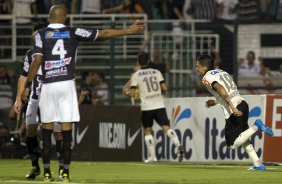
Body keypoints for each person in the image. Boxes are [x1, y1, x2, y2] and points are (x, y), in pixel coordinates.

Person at [22, 5, 145, 182]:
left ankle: (47, 173)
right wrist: (128, 30)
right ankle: (65, 172)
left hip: (48, 85)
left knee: (47, 130)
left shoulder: (41, 34)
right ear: (65, 17)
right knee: (66, 131)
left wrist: (28, 84)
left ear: (50, 17)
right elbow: (102, 34)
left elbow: (38, 60)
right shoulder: (73, 31)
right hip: (67, 85)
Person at [195, 54, 274, 170]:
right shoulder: (221, 71)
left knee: (232, 144)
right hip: (242, 103)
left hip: (235, 109)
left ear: (205, 67)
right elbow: (227, 91)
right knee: (244, 138)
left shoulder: (206, 78)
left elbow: (221, 90)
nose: (196, 68)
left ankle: (257, 126)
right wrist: (215, 102)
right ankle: (258, 164)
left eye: (198, 66)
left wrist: (232, 107)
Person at [13, 21, 64, 180]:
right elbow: (23, 77)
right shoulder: (30, 54)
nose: (37, 35)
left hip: (52, 97)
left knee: (57, 133)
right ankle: (35, 166)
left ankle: (63, 167)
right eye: (36, 33)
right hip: (34, 98)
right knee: (31, 131)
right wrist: (18, 99)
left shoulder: (55, 51)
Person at [130, 52, 184, 163]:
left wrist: (131, 93)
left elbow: (134, 94)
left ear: (138, 63)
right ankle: (178, 145)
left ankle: (153, 156)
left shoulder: (136, 75)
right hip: (159, 104)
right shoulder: (156, 72)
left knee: (148, 131)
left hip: (146, 107)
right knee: (167, 128)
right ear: (149, 61)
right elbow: (165, 87)